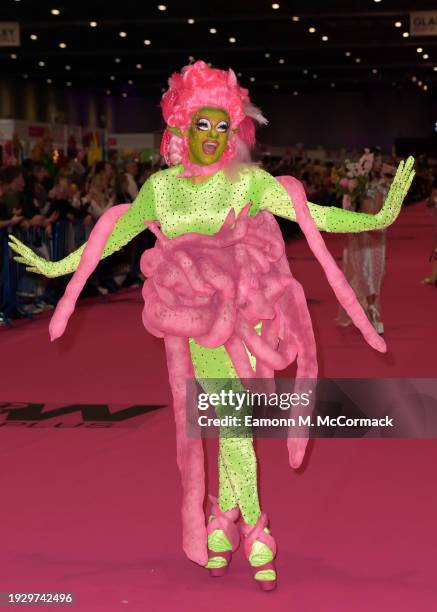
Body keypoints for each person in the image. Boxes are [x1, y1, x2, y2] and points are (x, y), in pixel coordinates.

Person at [9, 61, 414, 591]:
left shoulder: (246, 181)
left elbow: (310, 214)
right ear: (179, 125)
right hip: (193, 329)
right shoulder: (160, 189)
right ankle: (240, 529)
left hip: (246, 324)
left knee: (232, 428)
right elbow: (113, 235)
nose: (212, 136)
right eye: (202, 124)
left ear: (233, 131)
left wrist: (374, 218)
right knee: (229, 427)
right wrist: (60, 266)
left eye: (222, 126)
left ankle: (241, 528)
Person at [336, 149, 390, 334]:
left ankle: (370, 309)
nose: (379, 164)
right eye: (376, 160)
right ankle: (371, 311)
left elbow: (387, 208)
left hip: (379, 236)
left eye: (381, 161)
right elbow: (349, 207)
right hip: (362, 235)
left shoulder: (385, 183)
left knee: (377, 273)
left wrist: (382, 224)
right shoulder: (357, 183)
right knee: (364, 274)